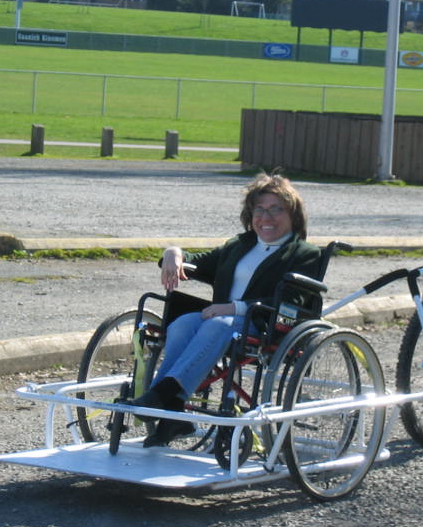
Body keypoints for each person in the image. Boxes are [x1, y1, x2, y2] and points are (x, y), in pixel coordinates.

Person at [128, 172, 321, 447]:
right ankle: (173, 412)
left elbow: (293, 300)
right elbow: (198, 263)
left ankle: (165, 395)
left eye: (276, 210)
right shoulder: (240, 245)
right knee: (182, 323)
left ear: (293, 215)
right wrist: (173, 252)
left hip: (264, 325)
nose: (266, 218)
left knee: (219, 324)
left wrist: (236, 307)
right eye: (260, 210)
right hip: (220, 322)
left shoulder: (304, 254)